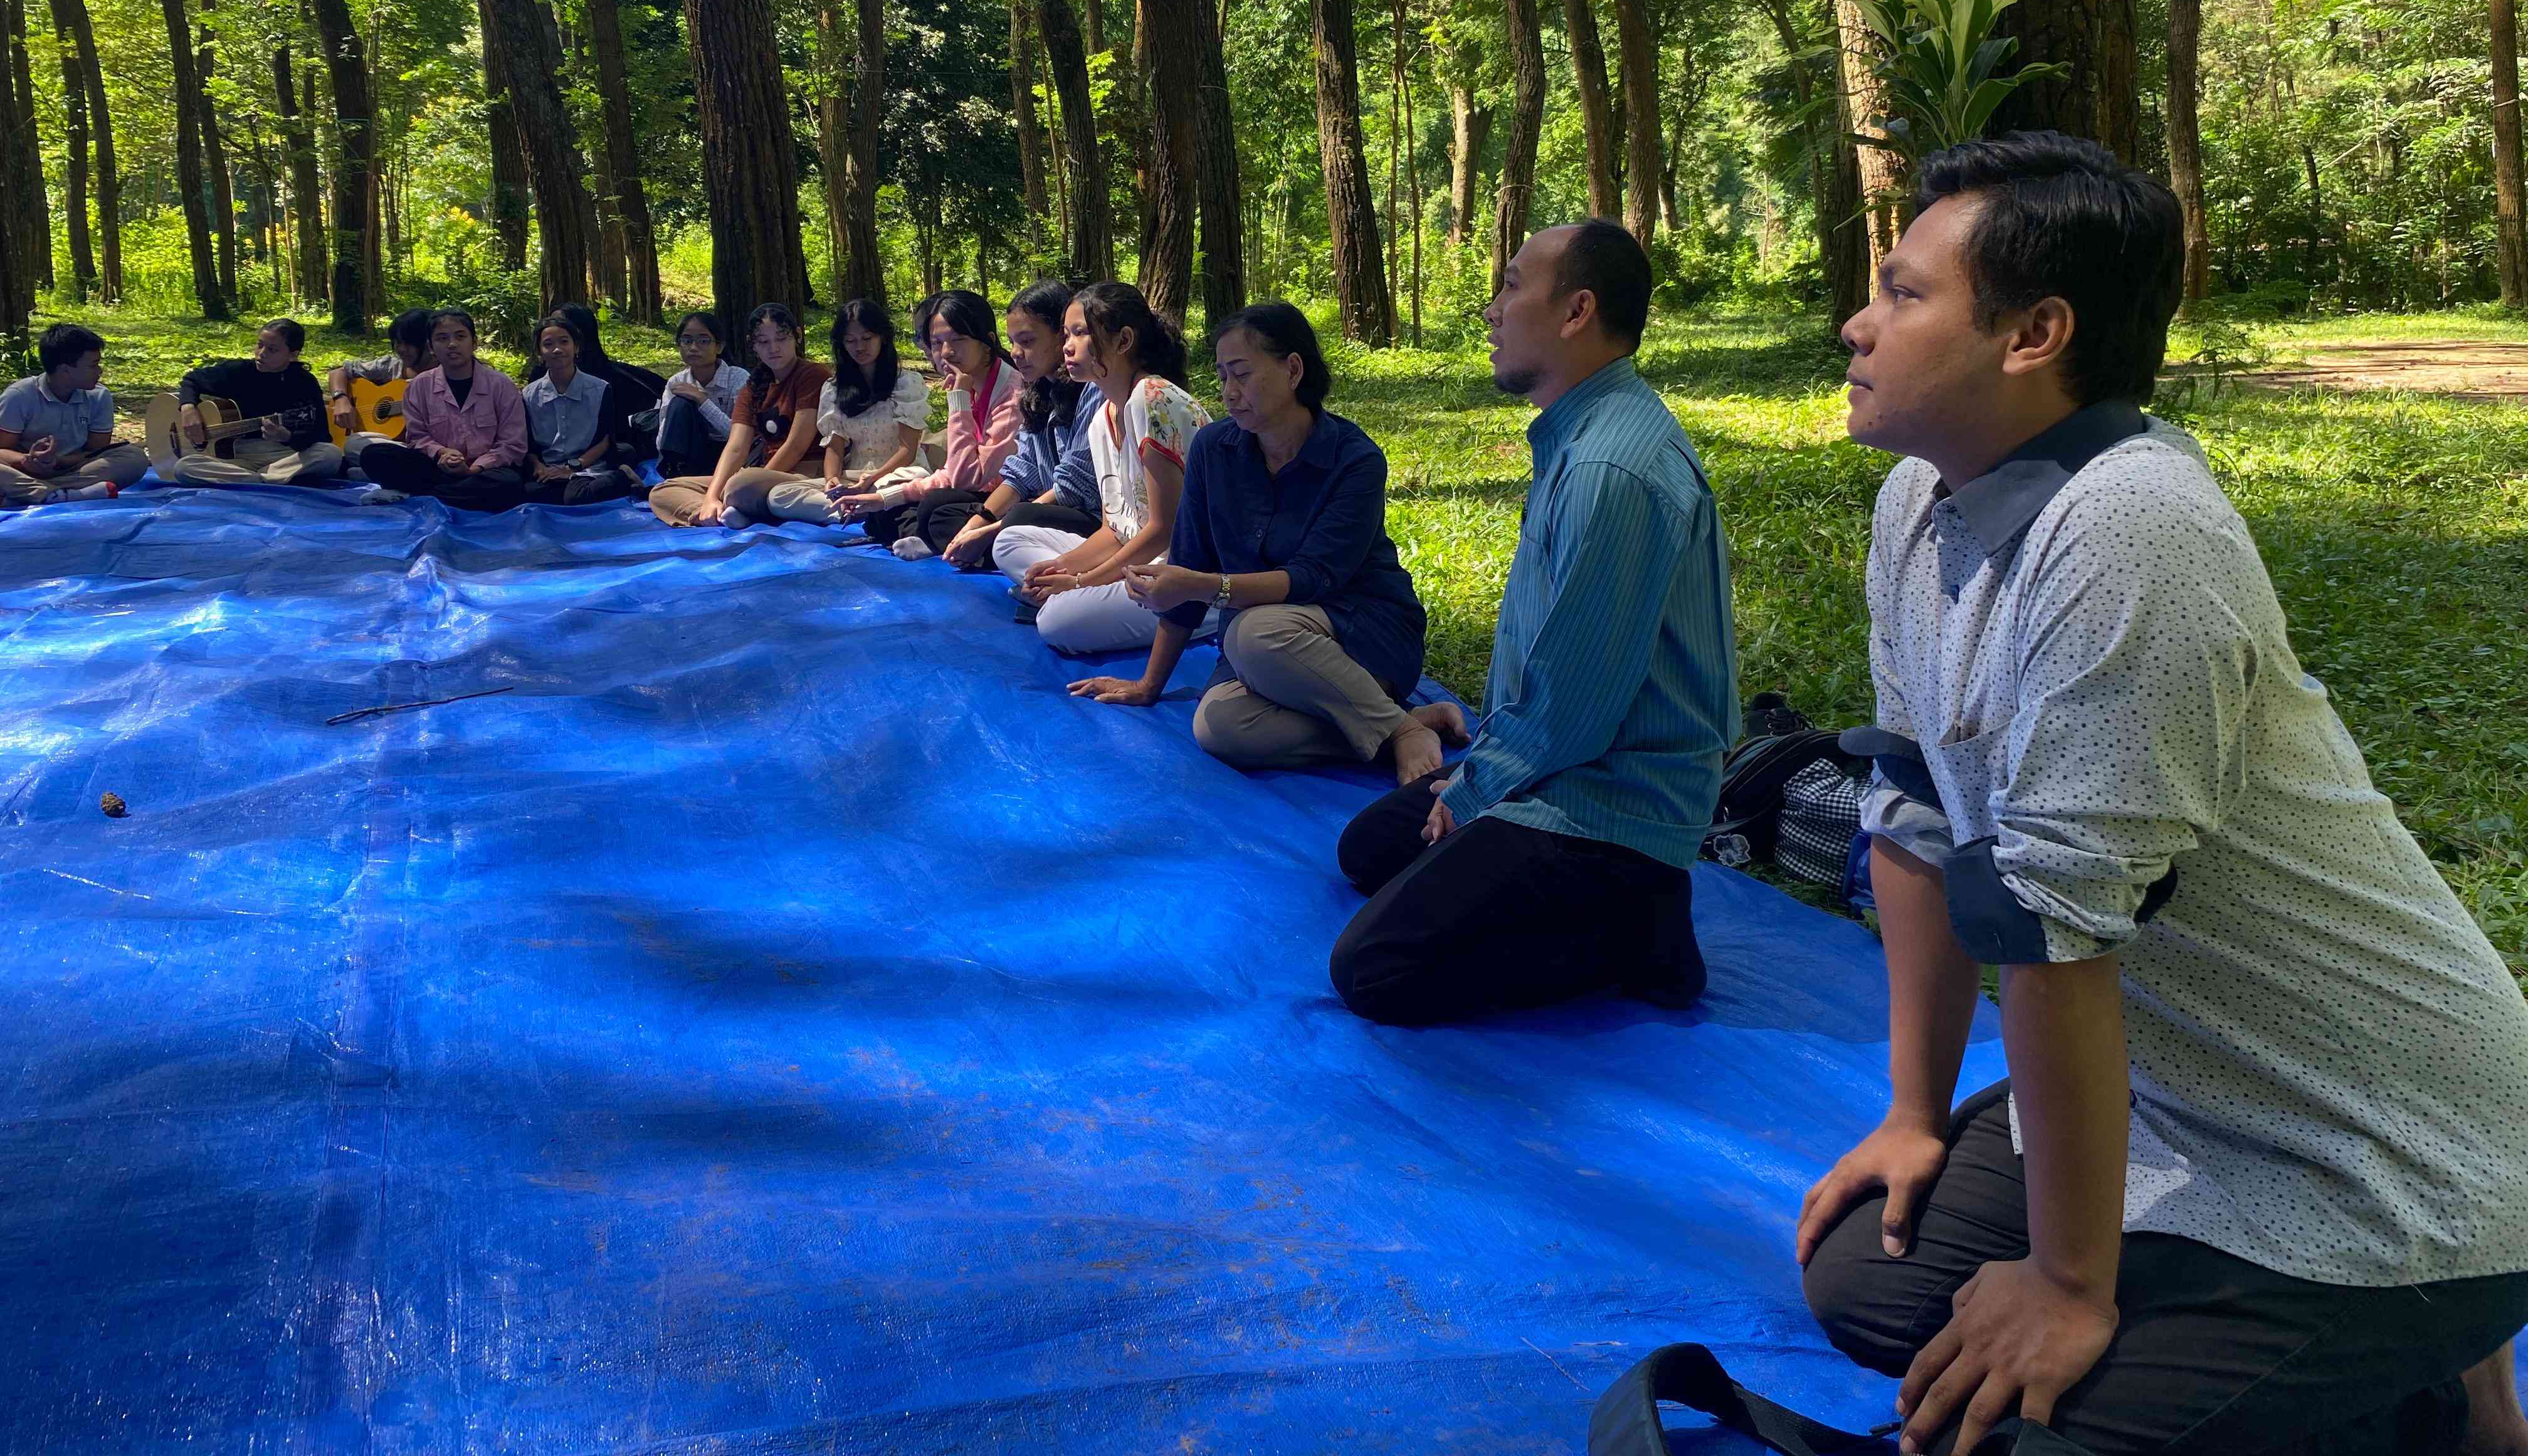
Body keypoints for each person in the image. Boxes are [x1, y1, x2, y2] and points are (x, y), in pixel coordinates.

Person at [1796, 134, 2528, 1456]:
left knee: (2014, 1437)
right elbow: (1911, 815)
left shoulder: (2135, 533)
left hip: (2366, 1143)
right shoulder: (1922, 498)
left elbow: (2050, 931)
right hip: (2167, 1092)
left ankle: (2438, 1375)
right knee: (1868, 1280)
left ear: (2035, 335)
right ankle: (2389, 1380)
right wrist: (1911, 1115)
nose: (1858, 321)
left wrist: (2069, 1289)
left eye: (1903, 294)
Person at [1324, 221, 1736, 1028]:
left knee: (1372, 971)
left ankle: (1637, 924)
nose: (1491, 308)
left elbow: (1575, 699)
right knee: (1370, 850)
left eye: (1513, 285)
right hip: (1563, 765)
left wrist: (1478, 787)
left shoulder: (1611, 467)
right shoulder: (1580, 432)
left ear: (1577, 310)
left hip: (1609, 804)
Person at [1068, 301, 1464, 780]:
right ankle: (1400, 724)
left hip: (1359, 634)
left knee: (1254, 632)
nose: (1230, 393)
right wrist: (1149, 685)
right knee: (1221, 728)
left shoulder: (1353, 458)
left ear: (1293, 369)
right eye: (1221, 378)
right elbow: (1189, 563)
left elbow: (1313, 577)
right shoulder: (1215, 451)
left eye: (1242, 375)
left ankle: (1396, 731)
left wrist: (1206, 585)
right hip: (1263, 651)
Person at [991, 281, 1214, 653]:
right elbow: (1115, 530)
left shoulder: (1152, 400)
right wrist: (1061, 569)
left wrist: (1081, 584)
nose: (1067, 345)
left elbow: (1164, 531)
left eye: (1080, 333)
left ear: (1124, 341)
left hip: (1182, 571)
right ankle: (1089, 591)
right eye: (1066, 334)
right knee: (1010, 541)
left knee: (1055, 621)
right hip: (1132, 557)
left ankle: (1203, 614)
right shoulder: (1103, 416)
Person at [830, 290, 1023, 556]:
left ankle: (939, 540)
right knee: (887, 511)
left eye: (958, 340)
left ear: (987, 342)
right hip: (968, 496)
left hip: (1005, 504)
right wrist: (883, 499)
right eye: (936, 343)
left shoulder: (1010, 394)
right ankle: (933, 535)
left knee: (937, 508)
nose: (946, 353)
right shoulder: (969, 383)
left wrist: (958, 401)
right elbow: (952, 471)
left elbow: (967, 478)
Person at [940, 280, 1104, 572]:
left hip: (1088, 515)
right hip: (1042, 506)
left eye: (1027, 342)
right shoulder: (1036, 393)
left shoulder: (1095, 389)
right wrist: (981, 520)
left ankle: (1016, 558)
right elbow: (1020, 472)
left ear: (1060, 337)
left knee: (1014, 522)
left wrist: (993, 528)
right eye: (1012, 342)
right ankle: (991, 549)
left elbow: (1074, 486)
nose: (1015, 352)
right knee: (939, 509)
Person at [722, 300, 928, 528]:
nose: (860, 347)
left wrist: (873, 478)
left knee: (901, 485)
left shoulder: (906, 383)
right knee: (779, 495)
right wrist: (832, 480)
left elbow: (908, 450)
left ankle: (862, 509)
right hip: (853, 476)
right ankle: (856, 510)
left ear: (883, 337)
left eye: (867, 338)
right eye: (851, 341)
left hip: (898, 474)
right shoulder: (834, 388)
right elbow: (834, 447)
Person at [648, 303, 828, 528]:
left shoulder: (812, 375)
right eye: (763, 342)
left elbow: (796, 445)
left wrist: (757, 481)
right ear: (753, 345)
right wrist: (713, 496)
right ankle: (719, 514)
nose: (774, 348)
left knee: (741, 486)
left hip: (804, 474)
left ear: (798, 336)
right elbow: (735, 447)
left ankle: (735, 508)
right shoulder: (754, 386)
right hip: (757, 476)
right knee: (663, 491)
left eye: (781, 339)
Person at [355, 308, 530, 511]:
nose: (452, 344)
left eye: (460, 336)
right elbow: (417, 438)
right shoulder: (419, 386)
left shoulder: (501, 385)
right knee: (373, 455)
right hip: (436, 467)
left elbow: (512, 444)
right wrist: (442, 453)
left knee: (509, 484)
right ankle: (454, 494)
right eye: (442, 338)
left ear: (474, 343)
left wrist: (473, 470)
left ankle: (421, 494)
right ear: (431, 347)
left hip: (485, 471)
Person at [167, 318, 345, 486]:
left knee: (330, 454)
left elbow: (321, 436)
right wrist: (188, 409)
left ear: (293, 355)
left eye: (272, 350)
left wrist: (287, 437)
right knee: (184, 467)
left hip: (285, 455)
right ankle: (267, 480)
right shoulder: (239, 372)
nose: (261, 354)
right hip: (237, 456)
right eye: (260, 345)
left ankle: (256, 479)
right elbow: (191, 380)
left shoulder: (304, 383)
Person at [0, 323, 147, 506]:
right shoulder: (20, 395)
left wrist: (57, 461)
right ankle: (64, 495)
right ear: (65, 370)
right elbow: (2, 450)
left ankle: (33, 494)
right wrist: (28, 460)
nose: (100, 371)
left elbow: (95, 451)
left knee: (135, 458)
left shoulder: (99, 396)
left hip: (74, 470)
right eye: (93, 365)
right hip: (23, 471)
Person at [520, 302, 665, 459]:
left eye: (563, 338)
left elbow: (612, 434)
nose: (557, 347)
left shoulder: (607, 379)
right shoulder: (538, 381)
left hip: (596, 456)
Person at [517, 311, 632, 505]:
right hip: (549, 470)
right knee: (528, 493)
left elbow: (604, 440)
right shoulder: (529, 395)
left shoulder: (599, 389)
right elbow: (528, 443)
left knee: (576, 497)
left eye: (564, 342)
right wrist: (539, 467)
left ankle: (623, 477)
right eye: (548, 344)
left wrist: (573, 468)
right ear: (539, 352)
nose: (557, 350)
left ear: (576, 347)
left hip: (587, 467)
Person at [324, 306, 433, 462]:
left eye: (409, 344)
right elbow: (338, 373)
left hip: (422, 447)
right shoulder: (392, 366)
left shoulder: (447, 374)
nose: (401, 349)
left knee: (357, 448)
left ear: (429, 343)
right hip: (386, 442)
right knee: (355, 443)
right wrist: (341, 399)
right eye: (397, 343)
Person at [652, 311, 747, 479]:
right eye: (687, 341)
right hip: (690, 458)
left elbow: (741, 438)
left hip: (731, 457)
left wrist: (702, 400)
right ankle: (674, 478)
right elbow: (663, 442)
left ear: (719, 346)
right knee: (680, 404)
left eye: (703, 341)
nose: (694, 348)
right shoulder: (677, 382)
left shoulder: (738, 379)